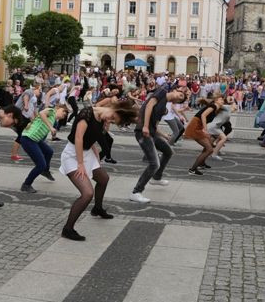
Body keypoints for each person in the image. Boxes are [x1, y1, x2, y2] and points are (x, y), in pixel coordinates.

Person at [60, 100, 138, 240]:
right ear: (114, 108)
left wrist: (95, 156)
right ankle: (68, 229)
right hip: (73, 155)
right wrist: (80, 163)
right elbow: (78, 139)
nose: (110, 120)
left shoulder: (102, 118)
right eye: (113, 117)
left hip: (87, 153)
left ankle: (97, 209)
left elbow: (92, 139)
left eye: (113, 121)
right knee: (87, 193)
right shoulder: (87, 113)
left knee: (103, 179)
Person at [130, 86, 190, 203]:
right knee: (154, 164)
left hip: (151, 132)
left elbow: (155, 125)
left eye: (179, 100)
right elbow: (148, 106)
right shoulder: (162, 92)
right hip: (143, 132)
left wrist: (164, 135)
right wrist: (146, 126)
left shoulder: (163, 108)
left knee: (168, 151)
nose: (179, 98)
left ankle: (156, 177)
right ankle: (136, 192)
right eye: (180, 95)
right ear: (175, 90)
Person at [19, 104, 67, 193]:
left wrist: (52, 133)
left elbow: (44, 132)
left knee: (49, 151)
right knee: (41, 164)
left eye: (65, 114)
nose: (64, 115)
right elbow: (41, 113)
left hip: (35, 140)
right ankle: (26, 184)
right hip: (28, 139)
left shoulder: (53, 121)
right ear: (58, 108)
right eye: (64, 111)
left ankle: (45, 171)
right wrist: (50, 127)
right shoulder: (51, 111)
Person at [184, 94, 223, 175]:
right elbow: (203, 115)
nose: (222, 100)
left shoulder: (215, 108)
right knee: (209, 149)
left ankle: (202, 163)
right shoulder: (213, 106)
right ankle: (192, 170)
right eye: (220, 99)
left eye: (223, 99)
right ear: (216, 100)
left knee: (209, 145)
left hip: (198, 126)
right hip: (195, 126)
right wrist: (205, 129)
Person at [11, 84, 41, 162]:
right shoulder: (29, 91)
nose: (40, 93)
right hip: (21, 116)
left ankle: (32, 152)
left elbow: (34, 109)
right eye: (39, 91)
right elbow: (25, 97)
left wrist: (36, 118)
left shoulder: (35, 98)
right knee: (21, 135)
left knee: (27, 135)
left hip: (26, 117)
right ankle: (14, 155)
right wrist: (26, 105)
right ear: (36, 89)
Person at [209, 96, 235, 160]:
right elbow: (217, 105)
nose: (236, 105)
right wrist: (217, 101)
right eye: (235, 104)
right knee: (223, 138)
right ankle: (214, 154)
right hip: (213, 126)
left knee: (213, 140)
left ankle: (211, 151)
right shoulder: (227, 107)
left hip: (216, 126)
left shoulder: (229, 111)